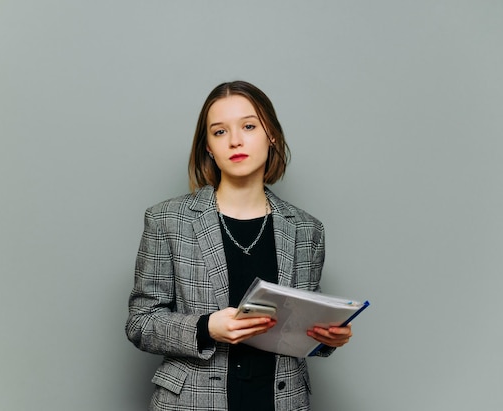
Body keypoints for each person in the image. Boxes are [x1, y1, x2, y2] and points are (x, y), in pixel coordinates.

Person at [126, 80, 353, 411]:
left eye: (248, 126)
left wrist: (327, 338)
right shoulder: (167, 221)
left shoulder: (307, 230)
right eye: (219, 132)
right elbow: (141, 323)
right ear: (208, 147)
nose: (235, 141)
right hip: (192, 402)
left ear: (271, 135)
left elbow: (301, 324)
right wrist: (207, 327)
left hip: (282, 401)